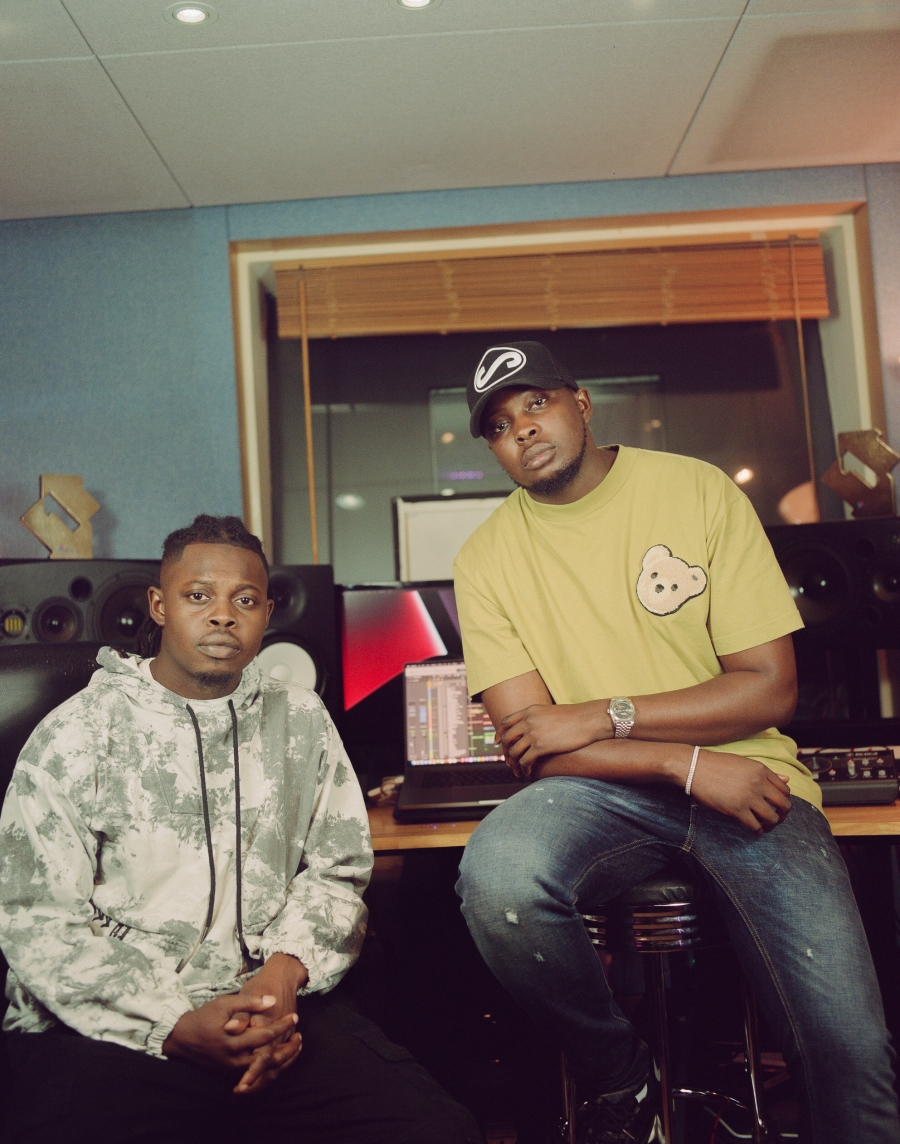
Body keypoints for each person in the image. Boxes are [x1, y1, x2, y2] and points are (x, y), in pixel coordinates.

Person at [453, 342, 899, 1144]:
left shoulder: (694, 490)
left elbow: (768, 686)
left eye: (536, 403)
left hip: (751, 782)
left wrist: (601, 714)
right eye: (498, 424)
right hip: (604, 794)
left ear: (581, 403)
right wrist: (684, 763)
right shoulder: (486, 557)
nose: (521, 429)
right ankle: (621, 1079)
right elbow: (534, 746)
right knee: (498, 880)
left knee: (851, 1056)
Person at [0, 514, 481, 1144]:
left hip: (268, 1009)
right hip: (113, 1021)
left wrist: (280, 979)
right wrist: (175, 1025)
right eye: (198, 596)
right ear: (160, 606)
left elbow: (336, 872)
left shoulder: (302, 718)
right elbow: (37, 919)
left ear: (267, 613)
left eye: (245, 600)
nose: (223, 615)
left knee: (441, 1132)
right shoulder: (76, 733)